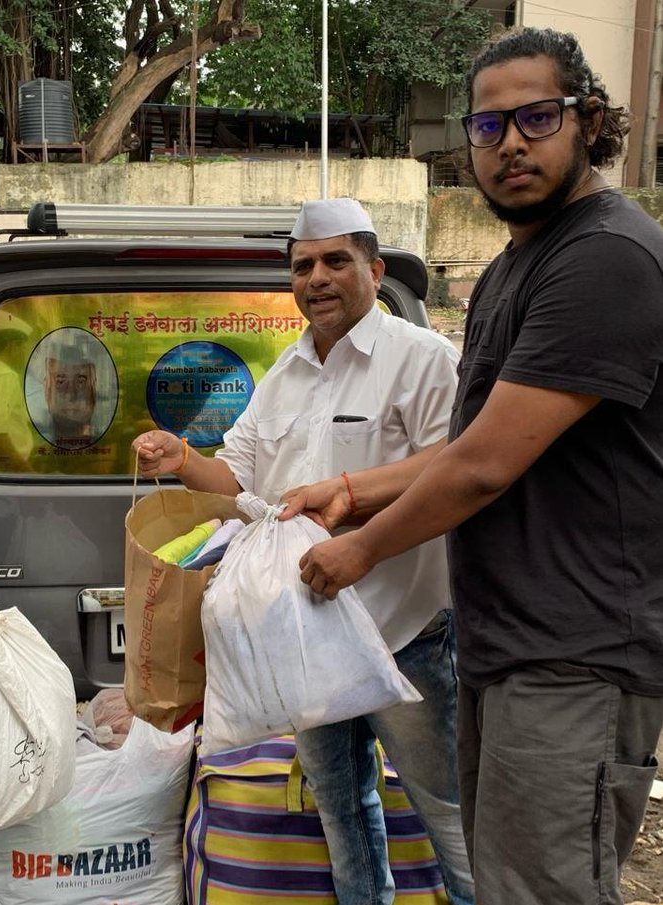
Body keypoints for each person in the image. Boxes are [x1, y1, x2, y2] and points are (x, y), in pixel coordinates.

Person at [294, 28, 663, 905]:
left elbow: (485, 468)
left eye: (536, 118)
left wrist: (360, 546)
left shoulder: (602, 255)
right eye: (488, 127)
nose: (510, 145)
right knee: (505, 881)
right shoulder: (511, 267)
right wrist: (345, 490)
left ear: (589, 121)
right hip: (505, 643)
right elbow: (461, 449)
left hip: (576, 651)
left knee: (544, 888)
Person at [133, 198, 474, 905]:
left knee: (449, 814)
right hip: (307, 638)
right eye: (302, 265)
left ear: (373, 271)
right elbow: (236, 478)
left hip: (401, 632)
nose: (316, 277)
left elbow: (457, 461)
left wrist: (355, 495)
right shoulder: (285, 374)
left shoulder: (421, 359)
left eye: (334, 261)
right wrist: (180, 456)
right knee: (341, 809)